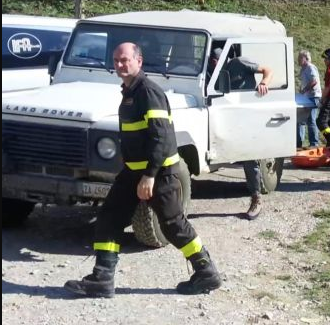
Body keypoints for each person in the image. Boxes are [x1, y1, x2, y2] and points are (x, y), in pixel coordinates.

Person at [64, 43, 221, 298]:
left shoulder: (148, 92)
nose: (119, 65)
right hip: (132, 173)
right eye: (116, 60)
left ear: (139, 61)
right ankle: (102, 279)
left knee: (172, 224)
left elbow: (161, 138)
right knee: (109, 217)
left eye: (125, 60)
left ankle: (206, 272)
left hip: (158, 174)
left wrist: (149, 175)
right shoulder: (130, 91)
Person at [220, 45, 273, 219]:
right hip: (226, 113)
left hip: (246, 113)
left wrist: (264, 83)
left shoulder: (239, 62)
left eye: (216, 57)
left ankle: (256, 197)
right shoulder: (210, 68)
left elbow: (268, 69)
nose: (214, 61)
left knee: (249, 156)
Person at [297, 50, 322, 149]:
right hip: (307, 97)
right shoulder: (303, 69)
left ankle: (314, 144)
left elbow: (314, 81)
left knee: (311, 119)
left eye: (300, 57)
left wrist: (304, 90)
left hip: (313, 96)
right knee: (301, 119)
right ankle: (299, 143)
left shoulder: (310, 67)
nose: (298, 59)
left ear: (306, 58)